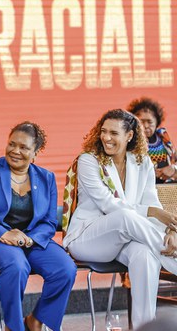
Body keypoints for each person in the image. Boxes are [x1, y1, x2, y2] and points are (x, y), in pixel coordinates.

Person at [63, 109, 177, 328]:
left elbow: (152, 202)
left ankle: (145, 326)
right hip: (88, 239)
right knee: (124, 216)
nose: (106, 137)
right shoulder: (89, 160)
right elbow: (110, 205)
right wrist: (152, 213)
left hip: (127, 240)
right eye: (103, 132)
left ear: (130, 136)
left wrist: (169, 230)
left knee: (145, 255)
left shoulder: (142, 162)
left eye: (114, 133)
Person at [0, 122, 76, 331]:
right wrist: (4, 233)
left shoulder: (46, 177)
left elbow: (49, 222)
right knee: (16, 264)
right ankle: (13, 327)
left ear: (35, 153)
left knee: (65, 268)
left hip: (29, 241)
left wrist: (30, 239)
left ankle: (35, 321)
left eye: (24, 147)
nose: (15, 151)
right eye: (12, 144)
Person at [127, 97, 176, 183]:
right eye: (142, 122)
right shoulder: (129, 142)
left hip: (168, 190)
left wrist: (173, 168)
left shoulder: (165, 140)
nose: (146, 126)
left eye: (150, 122)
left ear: (157, 122)